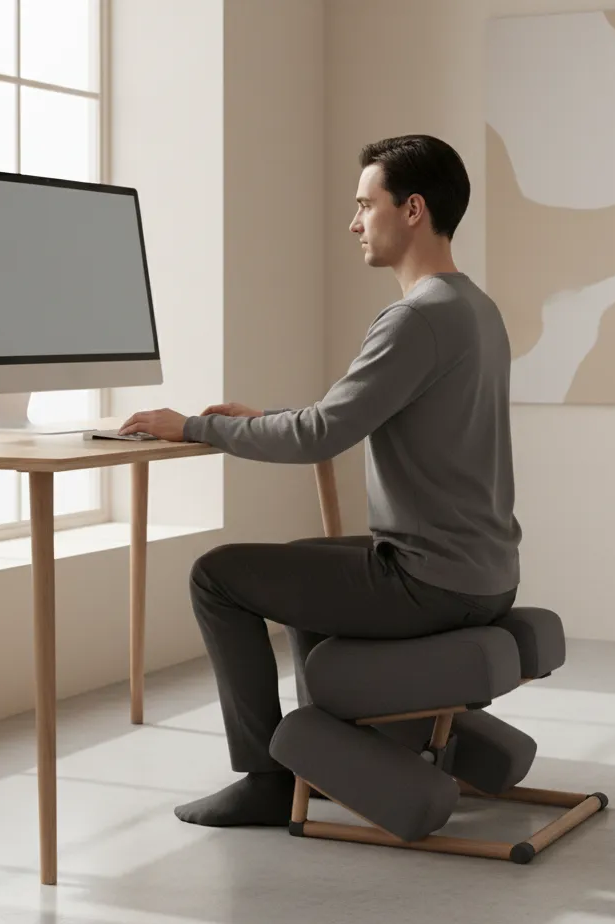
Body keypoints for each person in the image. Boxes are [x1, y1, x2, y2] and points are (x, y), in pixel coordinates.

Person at [119, 134, 522, 828]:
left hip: (430, 582)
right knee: (306, 559)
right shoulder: (475, 309)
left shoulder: (416, 319)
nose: (354, 222)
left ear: (414, 210)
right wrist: (266, 417)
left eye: (366, 205)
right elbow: (339, 417)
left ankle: (265, 776)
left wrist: (190, 426)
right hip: (485, 571)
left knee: (217, 576)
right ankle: (337, 749)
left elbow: (319, 436)